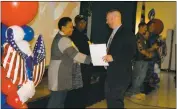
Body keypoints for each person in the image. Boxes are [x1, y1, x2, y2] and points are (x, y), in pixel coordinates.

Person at [47, 17, 91, 108]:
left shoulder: (63, 38)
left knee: (60, 102)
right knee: (56, 102)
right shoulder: (63, 40)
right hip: (59, 76)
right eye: (70, 27)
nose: (72, 29)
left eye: (72, 27)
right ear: (63, 28)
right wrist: (91, 60)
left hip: (62, 75)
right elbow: (75, 55)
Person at [102, 9, 136, 108]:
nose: (106, 22)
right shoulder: (111, 33)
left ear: (114, 18)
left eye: (108, 19)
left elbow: (131, 52)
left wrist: (114, 57)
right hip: (111, 73)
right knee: (110, 99)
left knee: (115, 101)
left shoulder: (127, 33)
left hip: (121, 74)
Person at [126, 23, 155, 100]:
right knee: (138, 77)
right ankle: (133, 93)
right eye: (145, 28)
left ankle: (136, 91)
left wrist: (150, 51)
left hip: (143, 60)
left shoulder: (143, 37)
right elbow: (141, 49)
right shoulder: (138, 37)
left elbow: (144, 49)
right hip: (139, 60)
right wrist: (148, 54)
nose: (146, 29)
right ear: (140, 27)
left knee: (141, 77)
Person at [68, 15, 92, 108]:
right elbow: (76, 53)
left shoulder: (84, 36)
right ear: (77, 23)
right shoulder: (72, 35)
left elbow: (89, 47)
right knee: (77, 93)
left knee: (84, 91)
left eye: (85, 23)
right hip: (77, 68)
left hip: (85, 68)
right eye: (81, 22)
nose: (83, 25)